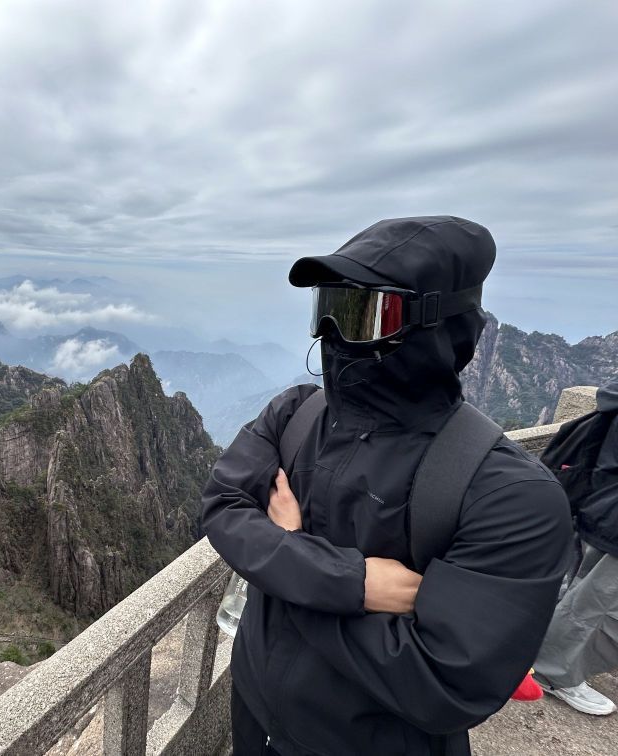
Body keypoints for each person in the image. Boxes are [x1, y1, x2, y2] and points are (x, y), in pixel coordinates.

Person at [201, 216, 573, 755]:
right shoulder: (296, 414)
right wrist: (350, 583)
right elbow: (222, 507)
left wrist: (283, 558)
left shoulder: (511, 498)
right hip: (254, 718)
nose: (333, 332)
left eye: (365, 314)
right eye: (327, 307)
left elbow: (443, 683)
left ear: (439, 325)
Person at [533, 379, 618, 716]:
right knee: (596, 602)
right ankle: (552, 672)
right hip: (611, 517)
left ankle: (546, 655)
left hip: (601, 506)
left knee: (583, 592)